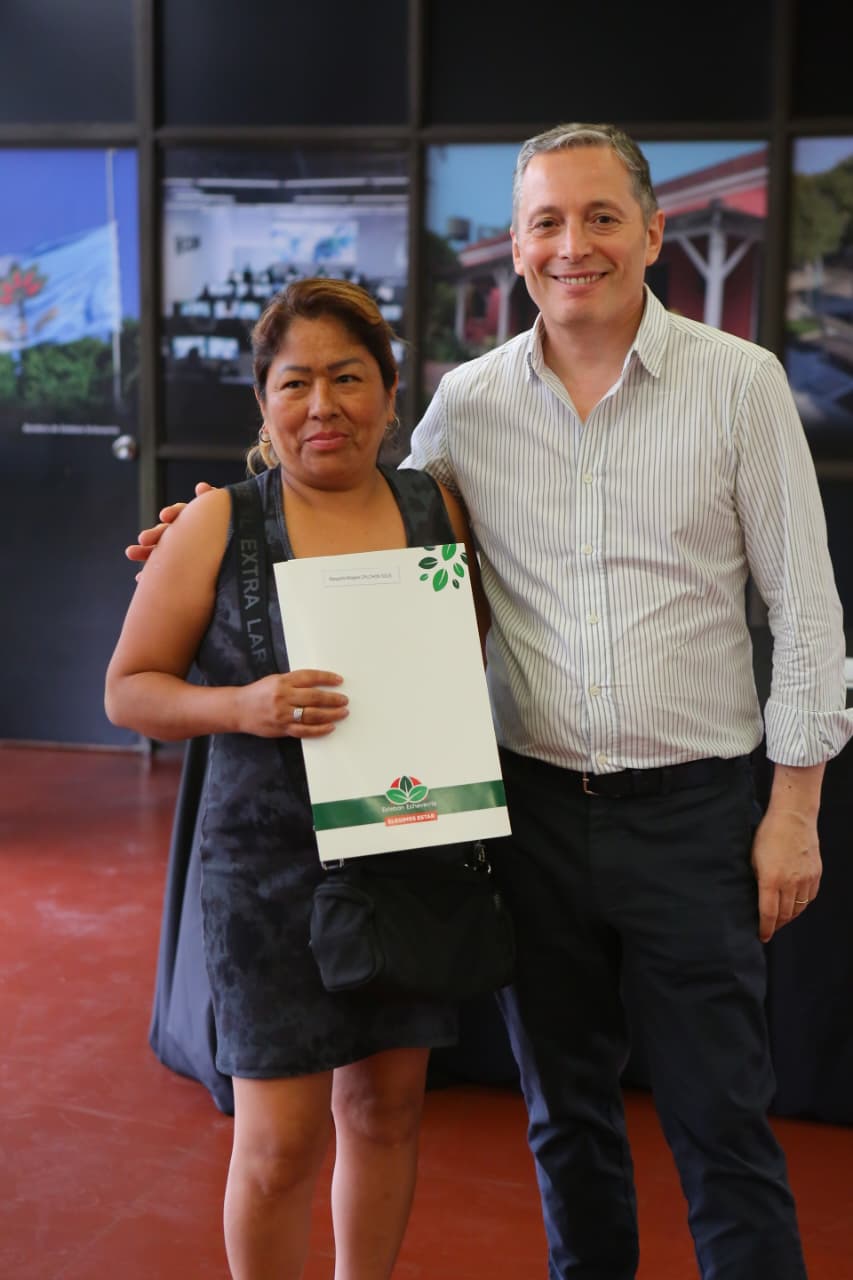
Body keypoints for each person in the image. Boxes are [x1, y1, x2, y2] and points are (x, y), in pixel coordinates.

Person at [130, 124, 853, 1280]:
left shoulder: (740, 383)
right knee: (565, 1117)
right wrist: (207, 529)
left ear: (653, 232)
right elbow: (357, 502)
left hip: (696, 814)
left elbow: (806, 611)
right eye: (546, 223)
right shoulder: (466, 404)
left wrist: (795, 808)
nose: (573, 245)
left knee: (722, 1120)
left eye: (600, 216)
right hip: (526, 814)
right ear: (515, 247)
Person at [108, 277, 485, 1280]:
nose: (324, 405)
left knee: (386, 1110)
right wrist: (242, 705)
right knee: (277, 1144)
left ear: (392, 394)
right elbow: (128, 690)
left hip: (406, 847)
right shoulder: (217, 525)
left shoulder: (434, 508)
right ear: (264, 401)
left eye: (349, 378)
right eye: (296, 382)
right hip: (265, 873)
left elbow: (467, 652)